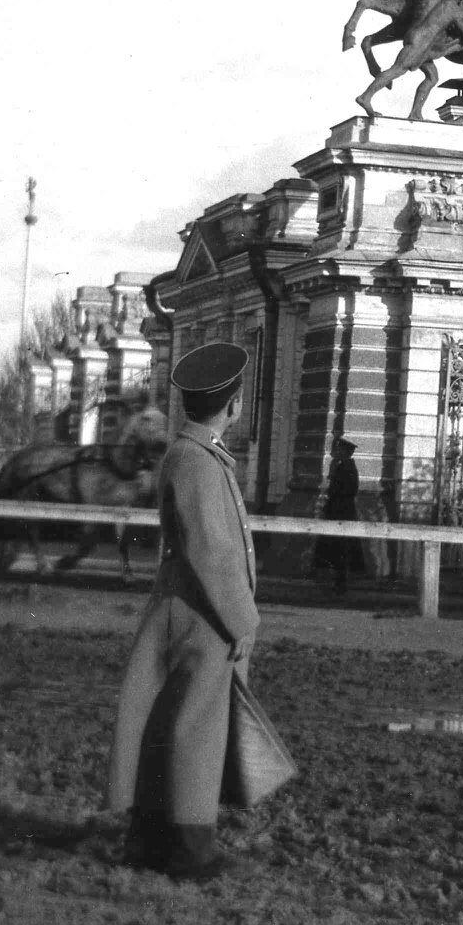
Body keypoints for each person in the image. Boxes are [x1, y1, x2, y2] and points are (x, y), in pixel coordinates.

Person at [107, 342, 259, 880]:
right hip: (202, 616)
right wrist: (243, 621)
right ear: (234, 406)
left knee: (167, 726)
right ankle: (192, 853)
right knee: (197, 732)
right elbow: (212, 551)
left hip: (184, 607)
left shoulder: (190, 453)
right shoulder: (198, 460)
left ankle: (148, 841)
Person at [315, 437, 364, 595]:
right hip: (338, 511)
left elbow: (347, 490)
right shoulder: (341, 466)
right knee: (336, 548)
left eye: (339, 450)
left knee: (341, 548)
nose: (336, 453)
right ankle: (336, 580)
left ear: (345, 452)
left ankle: (340, 582)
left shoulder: (347, 468)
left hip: (342, 512)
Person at [116, 388, 170, 478]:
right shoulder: (158, 416)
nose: (134, 406)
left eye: (135, 403)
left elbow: (125, 440)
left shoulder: (141, 417)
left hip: (145, 458)